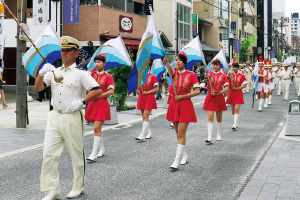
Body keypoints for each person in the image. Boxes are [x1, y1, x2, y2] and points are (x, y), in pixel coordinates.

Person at [34, 36, 102, 200]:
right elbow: (38, 88)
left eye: (67, 50)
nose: (64, 53)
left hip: (72, 116)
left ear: (76, 53)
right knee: (49, 154)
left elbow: (97, 90)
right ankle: (53, 189)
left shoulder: (80, 74)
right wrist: (41, 74)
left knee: (76, 154)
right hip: (55, 116)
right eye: (62, 50)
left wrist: (82, 101)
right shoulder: (55, 72)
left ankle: (78, 186)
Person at [166, 51, 200, 169]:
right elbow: (169, 69)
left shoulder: (191, 75)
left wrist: (183, 97)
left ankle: (176, 160)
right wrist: (166, 62)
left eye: (180, 60)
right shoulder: (173, 73)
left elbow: (197, 91)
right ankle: (184, 155)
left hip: (185, 104)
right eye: (176, 60)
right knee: (178, 133)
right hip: (174, 105)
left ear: (184, 62)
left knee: (181, 133)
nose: (177, 62)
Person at [85, 53, 115, 161]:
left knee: (96, 128)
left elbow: (111, 91)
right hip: (92, 103)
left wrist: (98, 95)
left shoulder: (108, 76)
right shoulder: (91, 74)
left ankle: (93, 153)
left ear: (104, 63)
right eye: (95, 62)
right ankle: (101, 149)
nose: (97, 64)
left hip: (102, 103)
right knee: (97, 129)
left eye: (99, 62)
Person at [203, 59, 229, 144]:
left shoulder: (224, 76)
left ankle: (219, 134)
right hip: (210, 97)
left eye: (216, 65)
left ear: (220, 66)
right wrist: (206, 72)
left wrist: (219, 93)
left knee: (219, 117)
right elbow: (206, 76)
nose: (215, 66)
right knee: (210, 117)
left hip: (219, 97)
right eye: (213, 65)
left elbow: (227, 88)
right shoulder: (210, 74)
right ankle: (209, 137)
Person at [135, 61, 159, 141]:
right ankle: (149, 132)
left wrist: (147, 92)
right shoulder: (140, 77)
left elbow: (156, 88)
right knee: (144, 117)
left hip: (149, 97)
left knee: (145, 116)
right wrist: (140, 89)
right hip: (142, 97)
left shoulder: (153, 76)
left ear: (149, 67)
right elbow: (138, 88)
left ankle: (142, 135)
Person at [226, 62, 247, 130]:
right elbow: (225, 83)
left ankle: (234, 124)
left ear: (238, 68)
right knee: (232, 109)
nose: (234, 68)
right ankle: (235, 122)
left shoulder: (241, 75)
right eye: (233, 67)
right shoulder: (229, 74)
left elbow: (245, 84)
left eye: (235, 67)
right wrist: (228, 77)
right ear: (231, 67)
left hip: (238, 93)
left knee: (236, 109)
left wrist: (237, 88)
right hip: (231, 93)